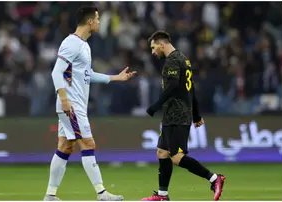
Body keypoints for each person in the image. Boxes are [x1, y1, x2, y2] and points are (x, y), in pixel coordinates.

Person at [44, 6, 136, 201]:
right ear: (90, 22)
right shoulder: (71, 43)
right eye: (98, 19)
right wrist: (64, 99)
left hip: (73, 105)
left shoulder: (84, 45)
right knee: (88, 143)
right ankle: (102, 193)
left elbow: (88, 75)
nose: (100, 22)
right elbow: (56, 72)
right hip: (71, 105)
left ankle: (50, 195)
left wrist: (115, 78)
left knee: (65, 147)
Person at [142, 30, 225, 201]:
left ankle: (214, 179)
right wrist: (196, 115)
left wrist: (154, 106)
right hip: (173, 114)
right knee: (161, 152)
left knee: (176, 156)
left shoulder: (172, 60)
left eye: (153, 47)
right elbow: (190, 89)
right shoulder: (184, 59)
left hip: (177, 115)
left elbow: (172, 86)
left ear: (161, 44)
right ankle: (163, 195)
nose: (153, 52)